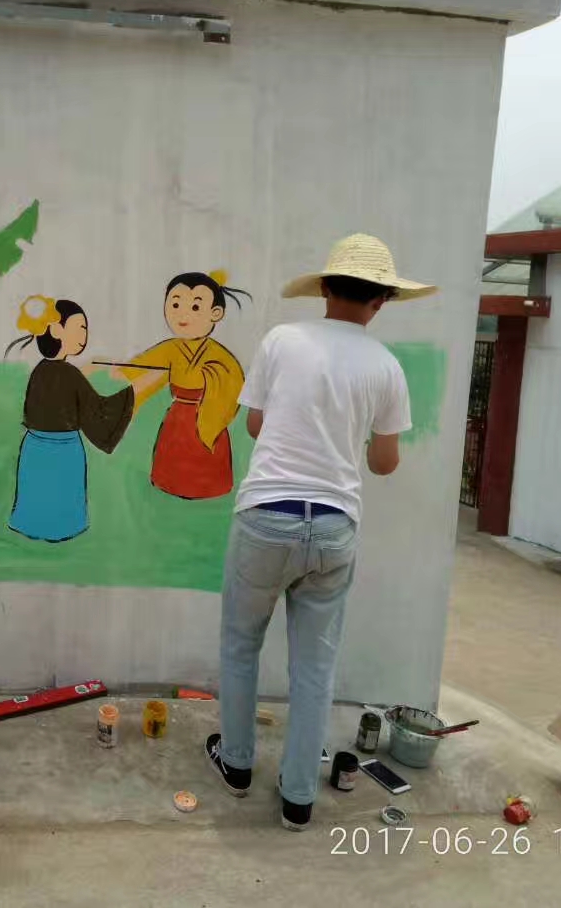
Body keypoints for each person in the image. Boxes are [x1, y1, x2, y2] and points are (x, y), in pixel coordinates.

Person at [203, 234, 436, 830]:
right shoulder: (386, 366)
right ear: (382, 301)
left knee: (240, 645)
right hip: (334, 527)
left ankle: (236, 767)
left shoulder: (282, 340)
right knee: (314, 669)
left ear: (325, 288)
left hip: (265, 516)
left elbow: (254, 425)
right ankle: (299, 798)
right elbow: (384, 463)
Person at [6, 295, 137, 542]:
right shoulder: (68, 374)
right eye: (80, 328)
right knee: (60, 491)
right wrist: (128, 393)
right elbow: (96, 409)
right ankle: (61, 529)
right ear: (57, 330)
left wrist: (92, 369)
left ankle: (32, 526)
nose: (83, 336)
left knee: (38, 492)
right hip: (63, 450)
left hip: (34, 448)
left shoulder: (41, 370)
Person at [112, 271, 248, 500]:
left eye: (195, 307)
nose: (183, 315)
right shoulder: (171, 348)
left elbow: (233, 388)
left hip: (206, 418)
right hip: (178, 418)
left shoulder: (221, 357)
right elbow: (142, 365)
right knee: (173, 463)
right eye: (175, 305)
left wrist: (209, 379)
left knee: (204, 468)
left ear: (216, 313)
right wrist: (119, 371)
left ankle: (207, 488)